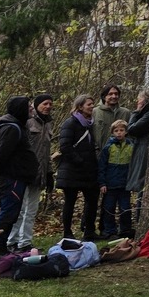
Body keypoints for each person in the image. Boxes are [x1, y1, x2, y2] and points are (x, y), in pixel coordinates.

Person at [0, 96, 38, 255]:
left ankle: (1, 246)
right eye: (28, 106)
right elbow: (2, 155)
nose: (31, 108)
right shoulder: (12, 129)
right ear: (20, 109)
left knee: (12, 212)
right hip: (12, 178)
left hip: (16, 177)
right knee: (8, 212)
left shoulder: (17, 126)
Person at [57, 94, 99, 239]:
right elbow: (65, 146)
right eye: (89, 104)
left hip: (88, 171)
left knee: (92, 200)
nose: (92, 106)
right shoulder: (70, 123)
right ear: (80, 107)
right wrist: (79, 160)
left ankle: (89, 231)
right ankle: (67, 232)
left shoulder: (90, 124)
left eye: (93, 104)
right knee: (70, 201)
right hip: (72, 171)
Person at [16, 95, 55, 248]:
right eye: (45, 103)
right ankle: (12, 241)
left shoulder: (49, 124)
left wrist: (49, 173)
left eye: (50, 104)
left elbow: (46, 152)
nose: (48, 106)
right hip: (24, 172)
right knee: (19, 209)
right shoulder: (27, 122)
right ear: (36, 105)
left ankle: (25, 242)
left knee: (31, 210)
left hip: (40, 174)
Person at [98, 120, 135, 238]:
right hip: (110, 184)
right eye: (116, 131)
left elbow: (133, 165)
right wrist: (102, 183)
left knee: (125, 208)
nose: (119, 133)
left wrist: (133, 181)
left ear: (126, 132)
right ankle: (110, 231)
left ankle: (125, 229)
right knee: (109, 208)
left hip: (125, 184)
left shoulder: (131, 146)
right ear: (112, 132)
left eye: (121, 130)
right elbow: (102, 166)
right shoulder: (109, 147)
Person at [126, 92, 149, 218]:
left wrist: (136, 112)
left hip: (144, 151)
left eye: (139, 100)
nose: (137, 102)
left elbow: (131, 129)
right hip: (142, 149)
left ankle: (139, 218)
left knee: (143, 186)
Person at [91, 84, 122, 153]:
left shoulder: (126, 113)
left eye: (116, 94)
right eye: (110, 94)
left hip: (119, 155)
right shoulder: (94, 112)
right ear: (104, 96)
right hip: (97, 154)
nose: (114, 96)